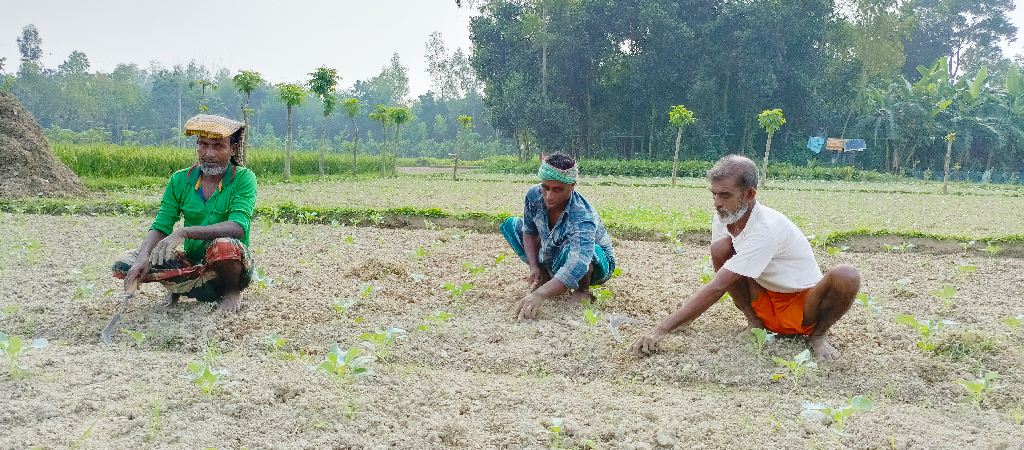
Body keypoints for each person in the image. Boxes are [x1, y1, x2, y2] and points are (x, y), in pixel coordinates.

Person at [631, 155, 859, 360]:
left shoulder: (766, 229)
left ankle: (819, 336)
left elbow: (717, 286)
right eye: (715, 195)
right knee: (721, 248)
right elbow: (723, 271)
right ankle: (755, 323)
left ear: (749, 194)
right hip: (764, 299)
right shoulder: (725, 216)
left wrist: (660, 330)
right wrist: (681, 321)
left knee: (847, 275)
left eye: (726, 195)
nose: (717, 203)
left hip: (802, 308)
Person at [112, 114, 257, 312]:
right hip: (192, 263)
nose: (209, 154)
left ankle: (232, 292)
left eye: (218, 146)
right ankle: (180, 286)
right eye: (203, 144)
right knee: (126, 263)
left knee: (224, 246)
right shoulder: (179, 180)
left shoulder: (243, 178)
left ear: (232, 149)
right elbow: (161, 225)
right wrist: (143, 257)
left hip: (227, 268)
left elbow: (237, 228)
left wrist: (184, 232)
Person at [500, 153, 615, 320]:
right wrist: (533, 266)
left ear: (572, 186)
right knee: (512, 225)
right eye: (545, 187)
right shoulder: (533, 196)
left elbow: (579, 262)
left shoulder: (582, 215)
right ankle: (544, 274)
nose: (549, 196)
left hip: (595, 263)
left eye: (557, 190)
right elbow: (529, 230)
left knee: (576, 251)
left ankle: (582, 290)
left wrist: (539, 295)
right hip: (554, 249)